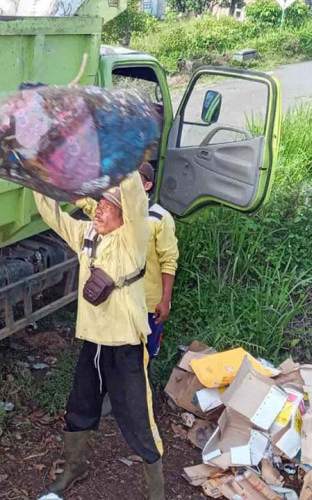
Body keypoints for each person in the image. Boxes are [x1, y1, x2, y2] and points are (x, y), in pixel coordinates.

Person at [34, 171, 165, 500]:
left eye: (109, 206)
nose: (100, 210)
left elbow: (134, 198)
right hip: (93, 342)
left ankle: (156, 491)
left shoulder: (134, 238)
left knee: (137, 418)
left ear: (124, 216)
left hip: (125, 346)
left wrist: (126, 159)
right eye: (99, 204)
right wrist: (38, 180)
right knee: (80, 406)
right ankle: (75, 467)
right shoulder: (87, 234)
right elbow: (53, 215)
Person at [77, 162, 178, 367]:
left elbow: (169, 261)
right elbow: (91, 206)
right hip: (121, 301)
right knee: (115, 353)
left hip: (147, 302)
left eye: (133, 180)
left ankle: (140, 392)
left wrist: (165, 300)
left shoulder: (160, 218)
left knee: (142, 357)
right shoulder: (116, 210)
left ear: (147, 186)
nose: (125, 185)